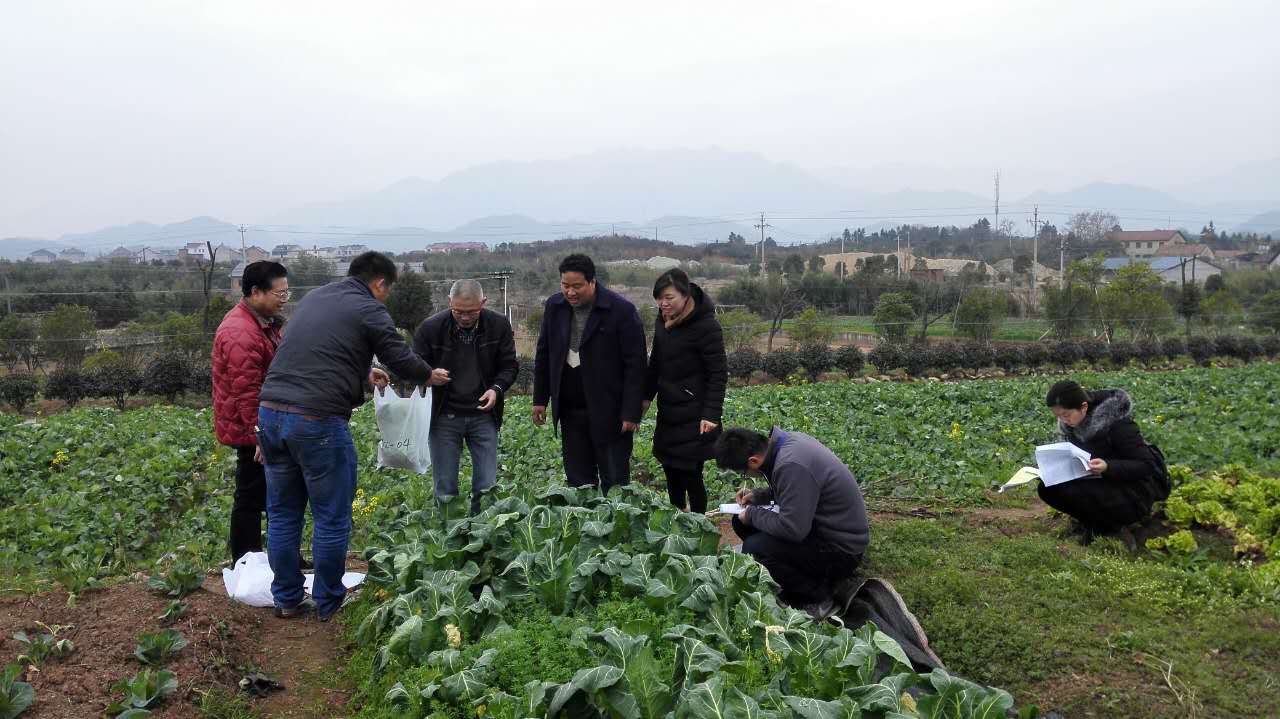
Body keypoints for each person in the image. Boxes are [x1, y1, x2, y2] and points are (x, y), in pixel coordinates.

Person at [257, 251, 444, 621]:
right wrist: (429, 375)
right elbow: (399, 356)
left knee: (282, 513)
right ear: (380, 283)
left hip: (271, 414)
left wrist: (363, 372)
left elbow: (320, 353)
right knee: (331, 516)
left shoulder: (317, 297)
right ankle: (329, 601)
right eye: (386, 291)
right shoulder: (368, 307)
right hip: (316, 420)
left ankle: (287, 599)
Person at [715, 427, 869, 622]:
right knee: (741, 522)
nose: (746, 478)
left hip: (841, 549)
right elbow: (797, 490)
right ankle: (798, 577)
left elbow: (793, 529)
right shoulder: (785, 444)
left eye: (744, 473)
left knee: (755, 546)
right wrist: (759, 496)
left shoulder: (792, 464)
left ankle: (819, 598)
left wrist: (753, 514)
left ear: (753, 461)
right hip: (819, 529)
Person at [532, 254, 647, 493]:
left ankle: (616, 526)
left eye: (577, 286)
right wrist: (540, 399)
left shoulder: (620, 311)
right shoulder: (554, 307)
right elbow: (545, 353)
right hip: (571, 409)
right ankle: (585, 527)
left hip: (610, 412)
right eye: (565, 285)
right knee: (578, 481)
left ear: (593, 282)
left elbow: (635, 365)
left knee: (614, 480)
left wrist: (631, 412)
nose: (570, 292)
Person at [412, 279, 518, 515]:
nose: (465, 317)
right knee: (445, 485)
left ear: (483, 303)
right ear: (449, 303)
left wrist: (496, 389)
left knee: (487, 484)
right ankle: (449, 535)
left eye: (472, 312)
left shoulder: (498, 325)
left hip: (484, 415)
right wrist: (427, 376)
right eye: (458, 311)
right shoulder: (431, 328)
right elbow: (412, 365)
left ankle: (481, 532)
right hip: (444, 416)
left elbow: (509, 366)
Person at [212, 260, 293, 563]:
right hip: (251, 429)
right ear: (256, 292)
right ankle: (246, 561)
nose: (284, 300)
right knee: (250, 495)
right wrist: (260, 436)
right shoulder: (240, 332)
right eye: (280, 294)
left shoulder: (262, 322)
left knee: (276, 493)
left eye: (287, 293)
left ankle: (278, 558)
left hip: (262, 424)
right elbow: (247, 392)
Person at [1039, 380, 1170, 545]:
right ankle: (1093, 524)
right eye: (1058, 416)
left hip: (1133, 492)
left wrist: (1108, 467)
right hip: (1099, 482)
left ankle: (1111, 529)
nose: (1063, 420)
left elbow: (1146, 465)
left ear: (1084, 407)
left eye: (1066, 415)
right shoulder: (1072, 426)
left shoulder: (1119, 424)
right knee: (1047, 487)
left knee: (1079, 491)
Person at [641, 268, 727, 514]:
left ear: (685, 294)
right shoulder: (663, 320)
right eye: (659, 298)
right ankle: (678, 517)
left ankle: (698, 524)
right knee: (670, 469)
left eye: (669, 298)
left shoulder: (706, 325)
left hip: (696, 413)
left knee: (691, 473)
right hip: (669, 410)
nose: (663, 303)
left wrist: (711, 414)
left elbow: (718, 373)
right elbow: (655, 362)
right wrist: (646, 397)